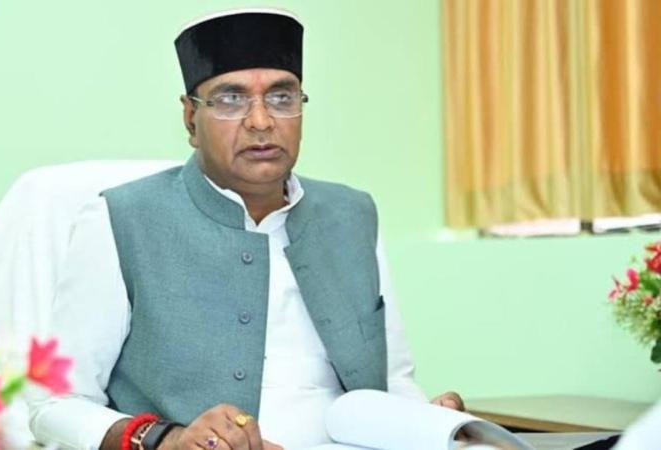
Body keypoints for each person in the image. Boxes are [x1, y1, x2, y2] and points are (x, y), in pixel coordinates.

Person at [28, 8, 463, 450]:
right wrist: (167, 440)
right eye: (230, 99)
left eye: (281, 97)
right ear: (190, 119)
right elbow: (54, 405)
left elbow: (393, 382)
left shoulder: (352, 214)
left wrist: (429, 422)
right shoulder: (120, 220)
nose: (261, 121)